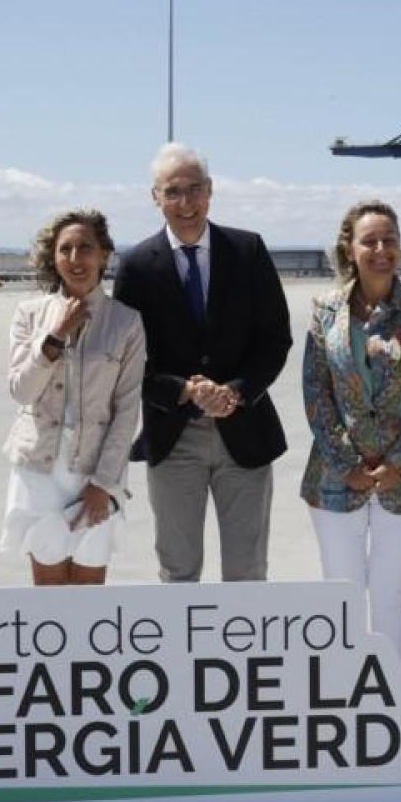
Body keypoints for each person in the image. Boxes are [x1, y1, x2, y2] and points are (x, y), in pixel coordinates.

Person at [112, 143, 292, 582]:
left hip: (244, 431)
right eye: (173, 191)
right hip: (174, 437)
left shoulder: (248, 251)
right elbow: (128, 360)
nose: (186, 202)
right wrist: (185, 390)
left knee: (247, 572)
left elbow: (275, 339)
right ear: (155, 196)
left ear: (210, 191)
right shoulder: (136, 266)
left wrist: (236, 392)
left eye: (195, 189)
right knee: (178, 572)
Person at [300, 201, 401, 663]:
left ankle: (387, 692)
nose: (382, 250)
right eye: (370, 241)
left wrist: (396, 463)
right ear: (350, 248)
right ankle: (344, 693)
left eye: (390, 240)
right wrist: (348, 464)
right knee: (340, 596)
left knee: (392, 593)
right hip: (334, 478)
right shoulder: (325, 310)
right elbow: (316, 393)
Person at [1, 209, 146, 584]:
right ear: (53, 257)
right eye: (65, 249)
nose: (75, 258)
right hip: (40, 468)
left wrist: (103, 483)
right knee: (49, 587)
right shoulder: (29, 315)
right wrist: (55, 335)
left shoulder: (126, 322)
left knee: (88, 586)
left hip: (95, 468)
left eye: (86, 248)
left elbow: (127, 410)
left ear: (104, 255)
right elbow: (21, 391)